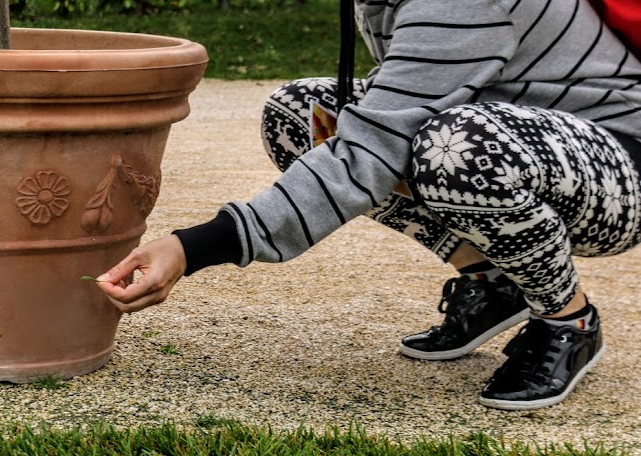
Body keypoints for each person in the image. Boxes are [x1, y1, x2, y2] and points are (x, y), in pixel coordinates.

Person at [95, 0, 641, 411]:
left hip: (616, 167)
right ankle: (491, 284)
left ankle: (568, 318)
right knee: (300, 113)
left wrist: (192, 248)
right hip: (515, 138)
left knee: (455, 146)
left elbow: (372, 153)